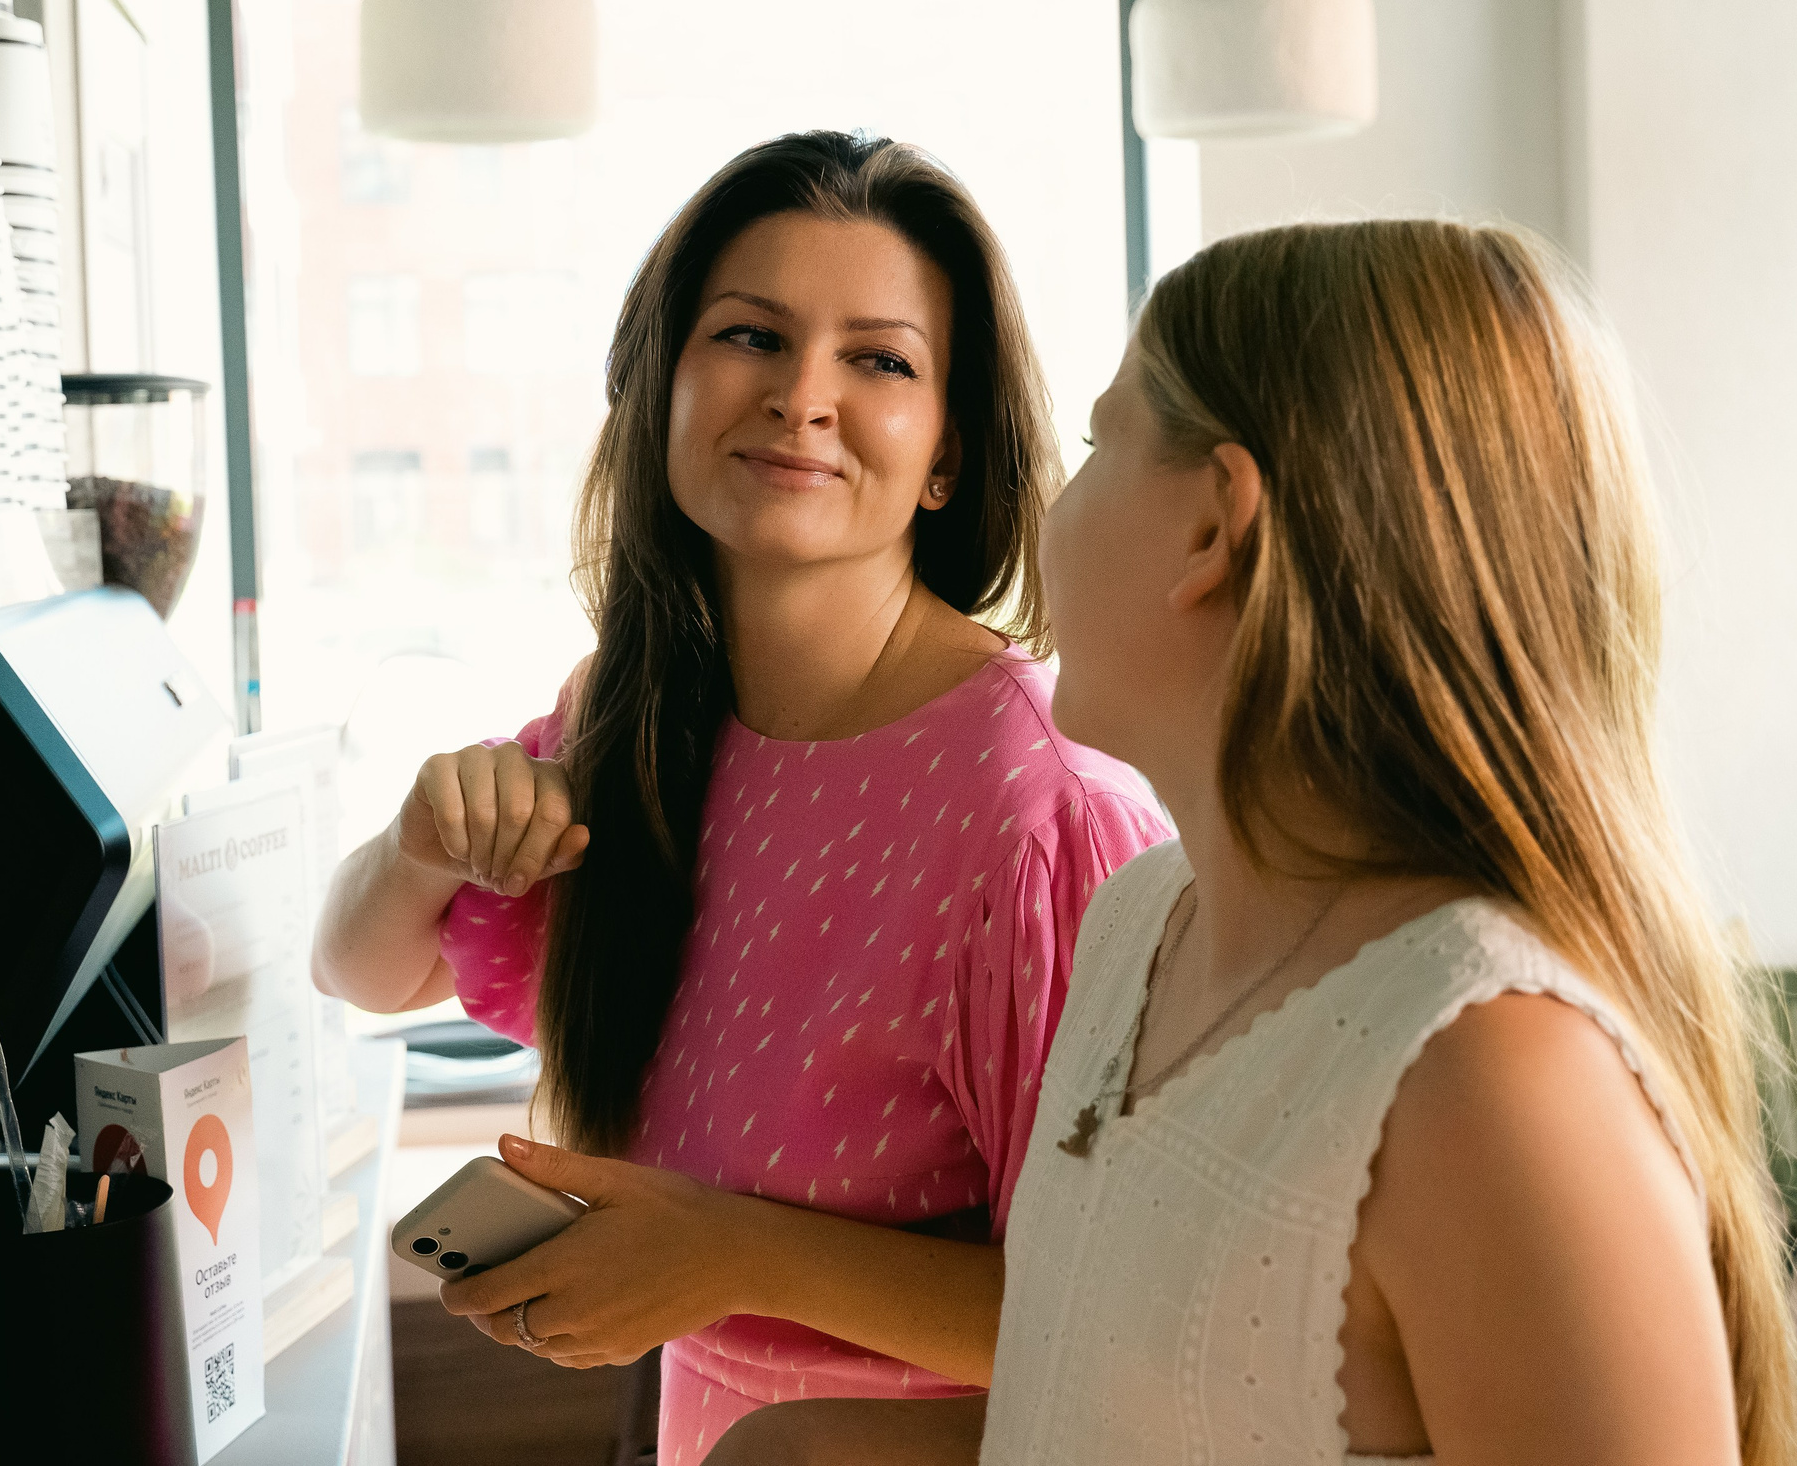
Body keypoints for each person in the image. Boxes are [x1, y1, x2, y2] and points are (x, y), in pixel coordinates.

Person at [706, 220, 1797, 1466]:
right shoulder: (1138, 928)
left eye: (1095, 444)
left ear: (1212, 529)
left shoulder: (1493, 1077)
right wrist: (806, 1451)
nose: (1053, 511)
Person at [312, 131, 1169, 1466]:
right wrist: (421, 838)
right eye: (751, 336)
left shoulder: (1039, 814)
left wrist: (729, 1253)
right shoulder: (635, 714)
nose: (801, 395)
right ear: (663, 386)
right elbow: (362, 963)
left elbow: (1119, 1315)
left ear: (946, 452)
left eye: (879, 358)